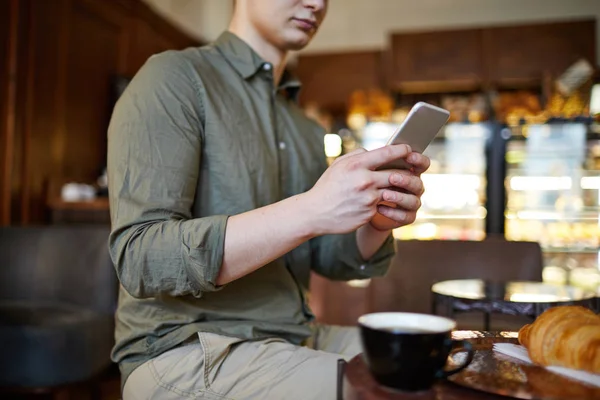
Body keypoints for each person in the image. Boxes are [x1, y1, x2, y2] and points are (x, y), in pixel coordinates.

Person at [107, 0, 430, 398]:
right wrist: (311, 210)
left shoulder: (305, 129)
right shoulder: (174, 77)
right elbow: (141, 259)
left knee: (435, 368)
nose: (317, 3)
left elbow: (331, 258)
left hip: (292, 335)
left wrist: (377, 221)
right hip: (188, 348)